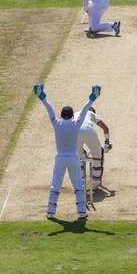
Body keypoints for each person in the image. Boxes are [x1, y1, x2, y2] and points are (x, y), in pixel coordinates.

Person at [33, 83, 101, 220]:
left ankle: (51, 212)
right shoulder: (76, 124)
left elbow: (49, 109)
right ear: (71, 116)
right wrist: (93, 97)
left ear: (62, 115)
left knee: (55, 185)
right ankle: (82, 212)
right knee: (78, 185)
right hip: (73, 158)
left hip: (60, 157)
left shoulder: (56, 124)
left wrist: (41, 96)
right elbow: (84, 109)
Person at [76, 107, 112, 191]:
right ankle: (96, 182)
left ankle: (80, 184)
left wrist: (82, 150)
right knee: (98, 154)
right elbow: (105, 127)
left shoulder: (77, 113)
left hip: (74, 132)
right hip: (89, 131)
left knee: (78, 158)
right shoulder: (91, 113)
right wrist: (107, 142)